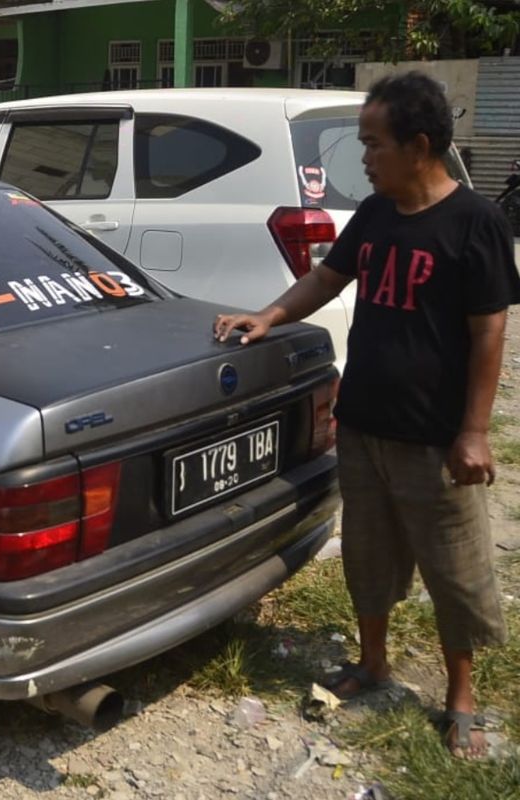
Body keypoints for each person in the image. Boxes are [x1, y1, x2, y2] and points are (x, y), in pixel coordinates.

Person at [214, 71, 520, 759]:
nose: (365, 158)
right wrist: (268, 315)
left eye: (373, 144)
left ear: (418, 146)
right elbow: (328, 277)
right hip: (365, 422)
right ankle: (374, 661)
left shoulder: (476, 223)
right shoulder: (377, 213)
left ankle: (462, 695)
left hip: (434, 438)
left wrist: (473, 431)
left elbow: (488, 333)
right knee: (369, 555)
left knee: (454, 565)